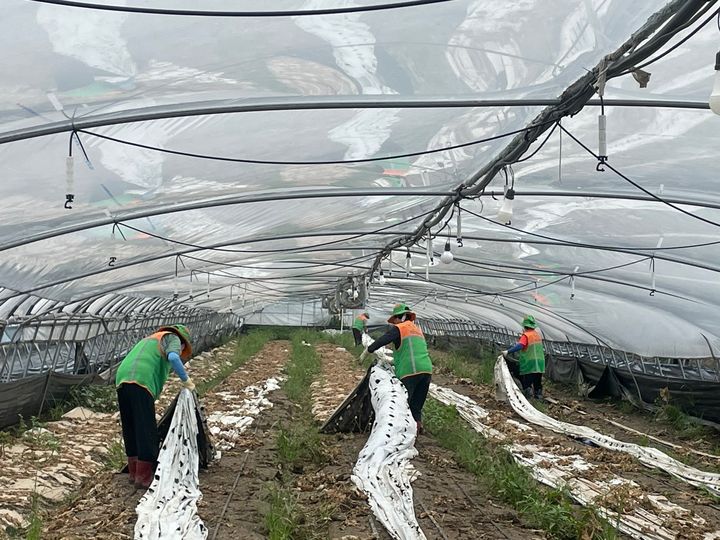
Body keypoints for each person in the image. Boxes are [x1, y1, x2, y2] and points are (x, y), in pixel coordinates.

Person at [115, 324, 195, 488]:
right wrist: (186, 380)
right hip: (141, 379)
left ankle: (133, 472)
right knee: (145, 427)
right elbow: (173, 357)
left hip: (122, 378)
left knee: (130, 426)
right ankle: (144, 477)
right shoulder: (172, 338)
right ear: (182, 340)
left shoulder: (151, 339)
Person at [360, 303, 432, 434]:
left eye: (395, 320)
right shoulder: (417, 329)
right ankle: (417, 428)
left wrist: (369, 349)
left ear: (400, 318)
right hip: (426, 370)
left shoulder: (400, 328)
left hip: (410, 371)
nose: (394, 323)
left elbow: (383, 340)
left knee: (403, 403)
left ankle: (402, 432)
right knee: (417, 405)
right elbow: (412, 349)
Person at [502, 315, 546, 400]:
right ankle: (538, 397)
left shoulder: (526, 335)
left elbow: (520, 345)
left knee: (527, 381)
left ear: (524, 326)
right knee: (537, 381)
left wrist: (508, 351)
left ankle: (527, 398)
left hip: (529, 362)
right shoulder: (537, 335)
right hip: (540, 362)